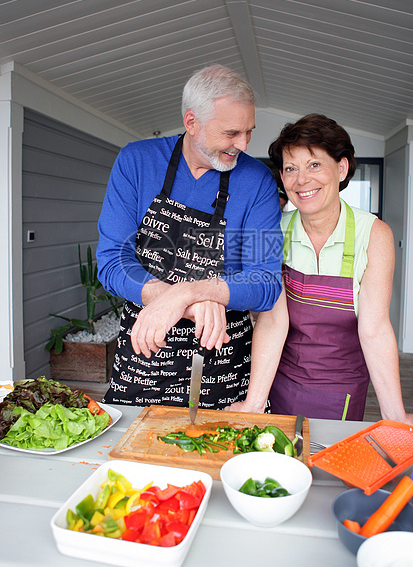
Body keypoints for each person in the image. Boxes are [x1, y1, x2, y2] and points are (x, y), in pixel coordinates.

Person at [97, 64, 283, 408]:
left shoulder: (258, 181)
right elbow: (112, 261)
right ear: (191, 121)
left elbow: (266, 282)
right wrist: (174, 299)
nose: (242, 145)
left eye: (248, 132)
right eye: (231, 133)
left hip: (225, 368)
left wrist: (191, 292)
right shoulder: (136, 162)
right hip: (145, 356)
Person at [229, 113, 413, 423]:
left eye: (314, 165)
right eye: (291, 169)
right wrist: (254, 403)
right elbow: (272, 322)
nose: (302, 180)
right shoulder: (271, 230)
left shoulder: (375, 234)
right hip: (278, 379)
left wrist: (394, 416)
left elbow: (375, 329)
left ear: (341, 168)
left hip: (341, 389)